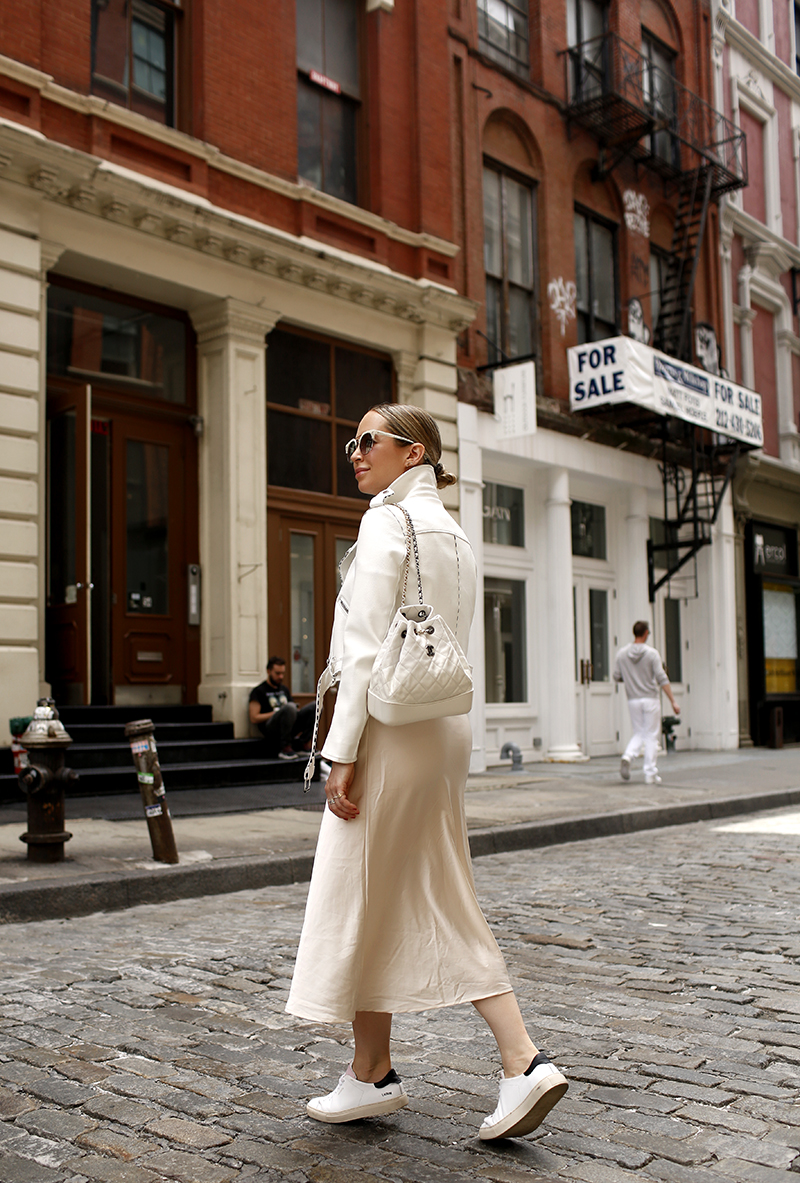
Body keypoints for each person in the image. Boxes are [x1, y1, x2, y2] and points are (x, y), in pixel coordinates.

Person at [285, 404, 568, 1141]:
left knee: (407, 887)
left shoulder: (387, 522)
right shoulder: (454, 533)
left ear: (414, 452)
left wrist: (339, 755)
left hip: (389, 729)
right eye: (352, 441)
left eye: (367, 440)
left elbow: (361, 649)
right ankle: (370, 1068)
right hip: (442, 726)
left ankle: (522, 1058)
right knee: (384, 892)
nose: (354, 452)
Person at [613, 621, 680, 785]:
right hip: (650, 698)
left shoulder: (622, 654)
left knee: (638, 732)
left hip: (633, 699)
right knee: (650, 735)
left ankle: (628, 755)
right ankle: (650, 773)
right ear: (646, 633)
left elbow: (616, 676)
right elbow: (661, 678)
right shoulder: (651, 654)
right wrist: (673, 701)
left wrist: (630, 679)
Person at [248, 657, 314, 759]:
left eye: (282, 673)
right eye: (277, 673)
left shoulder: (284, 689)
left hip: (289, 724)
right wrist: (277, 712)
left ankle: (303, 744)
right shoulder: (259, 691)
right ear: (268, 671)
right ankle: (285, 748)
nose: (281, 676)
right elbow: (254, 717)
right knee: (289, 707)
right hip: (272, 728)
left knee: (315, 706)